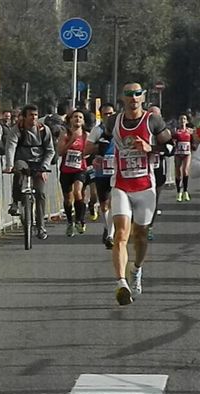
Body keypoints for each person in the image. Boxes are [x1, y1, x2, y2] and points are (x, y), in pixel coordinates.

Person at [103, 83, 171, 306]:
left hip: (145, 186)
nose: (133, 97)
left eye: (137, 94)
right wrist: (91, 155)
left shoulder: (153, 120)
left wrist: (150, 148)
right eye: (129, 94)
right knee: (121, 234)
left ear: (143, 97)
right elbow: (96, 140)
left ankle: (137, 269)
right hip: (121, 185)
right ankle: (121, 283)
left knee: (140, 235)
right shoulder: (113, 121)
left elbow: (171, 146)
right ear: (122, 98)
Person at [4, 104, 56, 240]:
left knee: (40, 193)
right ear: (24, 117)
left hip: (39, 163)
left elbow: (50, 150)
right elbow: (11, 147)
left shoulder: (44, 130)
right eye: (31, 115)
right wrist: (9, 165)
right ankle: (15, 202)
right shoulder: (17, 130)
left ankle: (41, 226)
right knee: (18, 171)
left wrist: (44, 166)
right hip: (23, 160)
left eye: (36, 115)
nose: (34, 118)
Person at [85, 102, 116, 249]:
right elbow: (87, 149)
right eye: (105, 114)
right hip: (102, 171)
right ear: (101, 115)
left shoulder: (120, 129)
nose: (108, 116)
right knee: (104, 205)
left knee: (114, 203)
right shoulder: (97, 130)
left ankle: (110, 234)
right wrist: (100, 147)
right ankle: (107, 226)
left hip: (117, 171)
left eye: (111, 113)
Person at [57, 110, 88, 236]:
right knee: (68, 200)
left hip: (80, 169)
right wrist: (71, 141)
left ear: (83, 121)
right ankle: (70, 221)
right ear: (70, 120)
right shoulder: (65, 134)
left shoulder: (86, 135)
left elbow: (90, 151)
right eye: (75, 117)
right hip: (66, 170)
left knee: (78, 192)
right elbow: (60, 152)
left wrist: (87, 155)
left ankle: (80, 220)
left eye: (80, 117)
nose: (78, 119)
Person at [146, 105, 173, 240]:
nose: (153, 119)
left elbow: (171, 149)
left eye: (156, 116)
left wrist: (153, 148)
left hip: (158, 169)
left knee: (153, 199)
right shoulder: (141, 128)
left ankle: (149, 226)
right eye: (151, 116)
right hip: (141, 170)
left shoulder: (164, 132)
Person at [172, 113, 194, 201]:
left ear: (187, 121)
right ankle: (178, 192)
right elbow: (172, 140)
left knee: (185, 171)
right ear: (178, 121)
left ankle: (185, 191)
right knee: (178, 172)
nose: (182, 121)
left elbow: (194, 141)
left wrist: (194, 145)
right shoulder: (176, 131)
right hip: (178, 153)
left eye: (184, 119)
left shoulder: (190, 131)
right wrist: (173, 141)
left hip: (187, 153)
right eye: (181, 119)